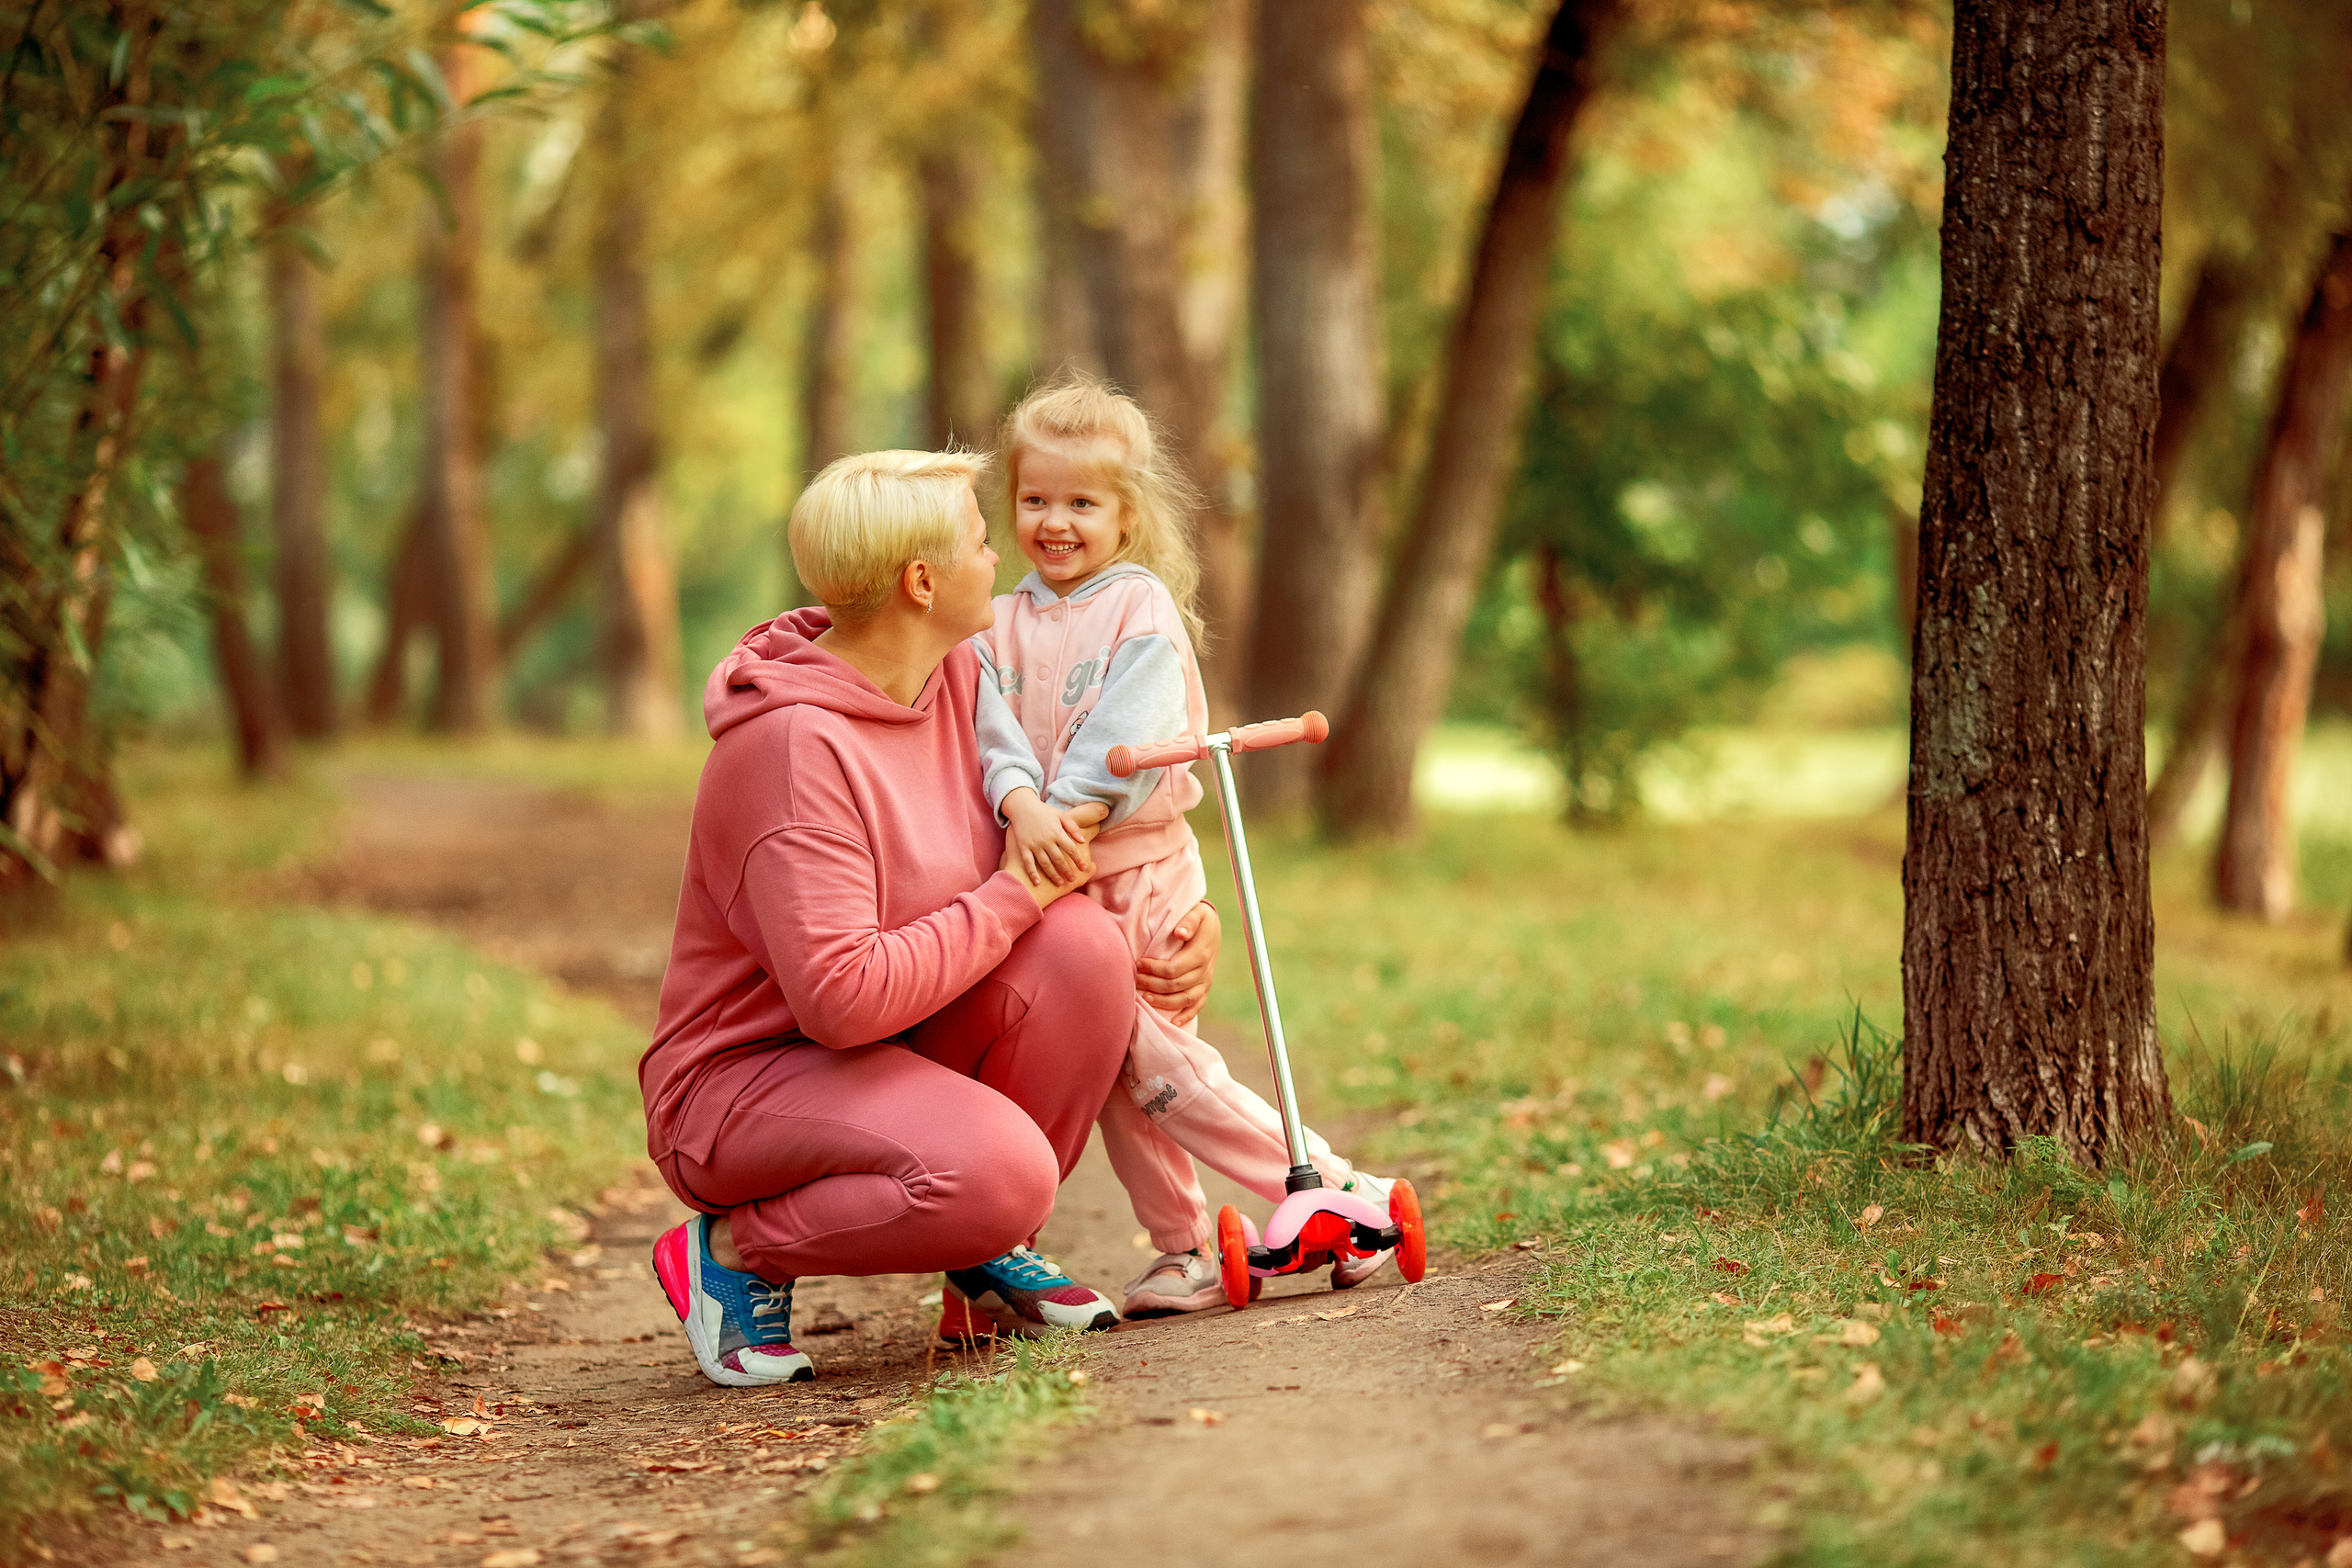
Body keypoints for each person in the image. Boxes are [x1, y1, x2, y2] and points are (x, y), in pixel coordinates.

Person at [639, 447, 1224, 1386]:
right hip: (745, 1081)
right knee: (1001, 1172)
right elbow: (841, 1000)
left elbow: (1071, 833)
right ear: (921, 582)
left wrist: (1186, 927)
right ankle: (736, 1250)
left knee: (1082, 952)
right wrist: (1011, 897)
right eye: (982, 541)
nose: (1003, 557)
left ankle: (984, 1255)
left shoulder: (956, 679)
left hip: (895, 1044)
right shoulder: (790, 748)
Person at [972, 376, 1393, 1319]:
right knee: (1123, 1078)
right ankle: (1183, 1248)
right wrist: (1015, 805)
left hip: (1137, 866)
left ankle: (1334, 1188)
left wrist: (1060, 818)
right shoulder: (998, 620)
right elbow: (989, 726)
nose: (1056, 522)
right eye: (1036, 499)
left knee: (1161, 1066)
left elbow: (1123, 737)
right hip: (1055, 872)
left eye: (1083, 503)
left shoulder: (1140, 610)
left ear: (1126, 514)